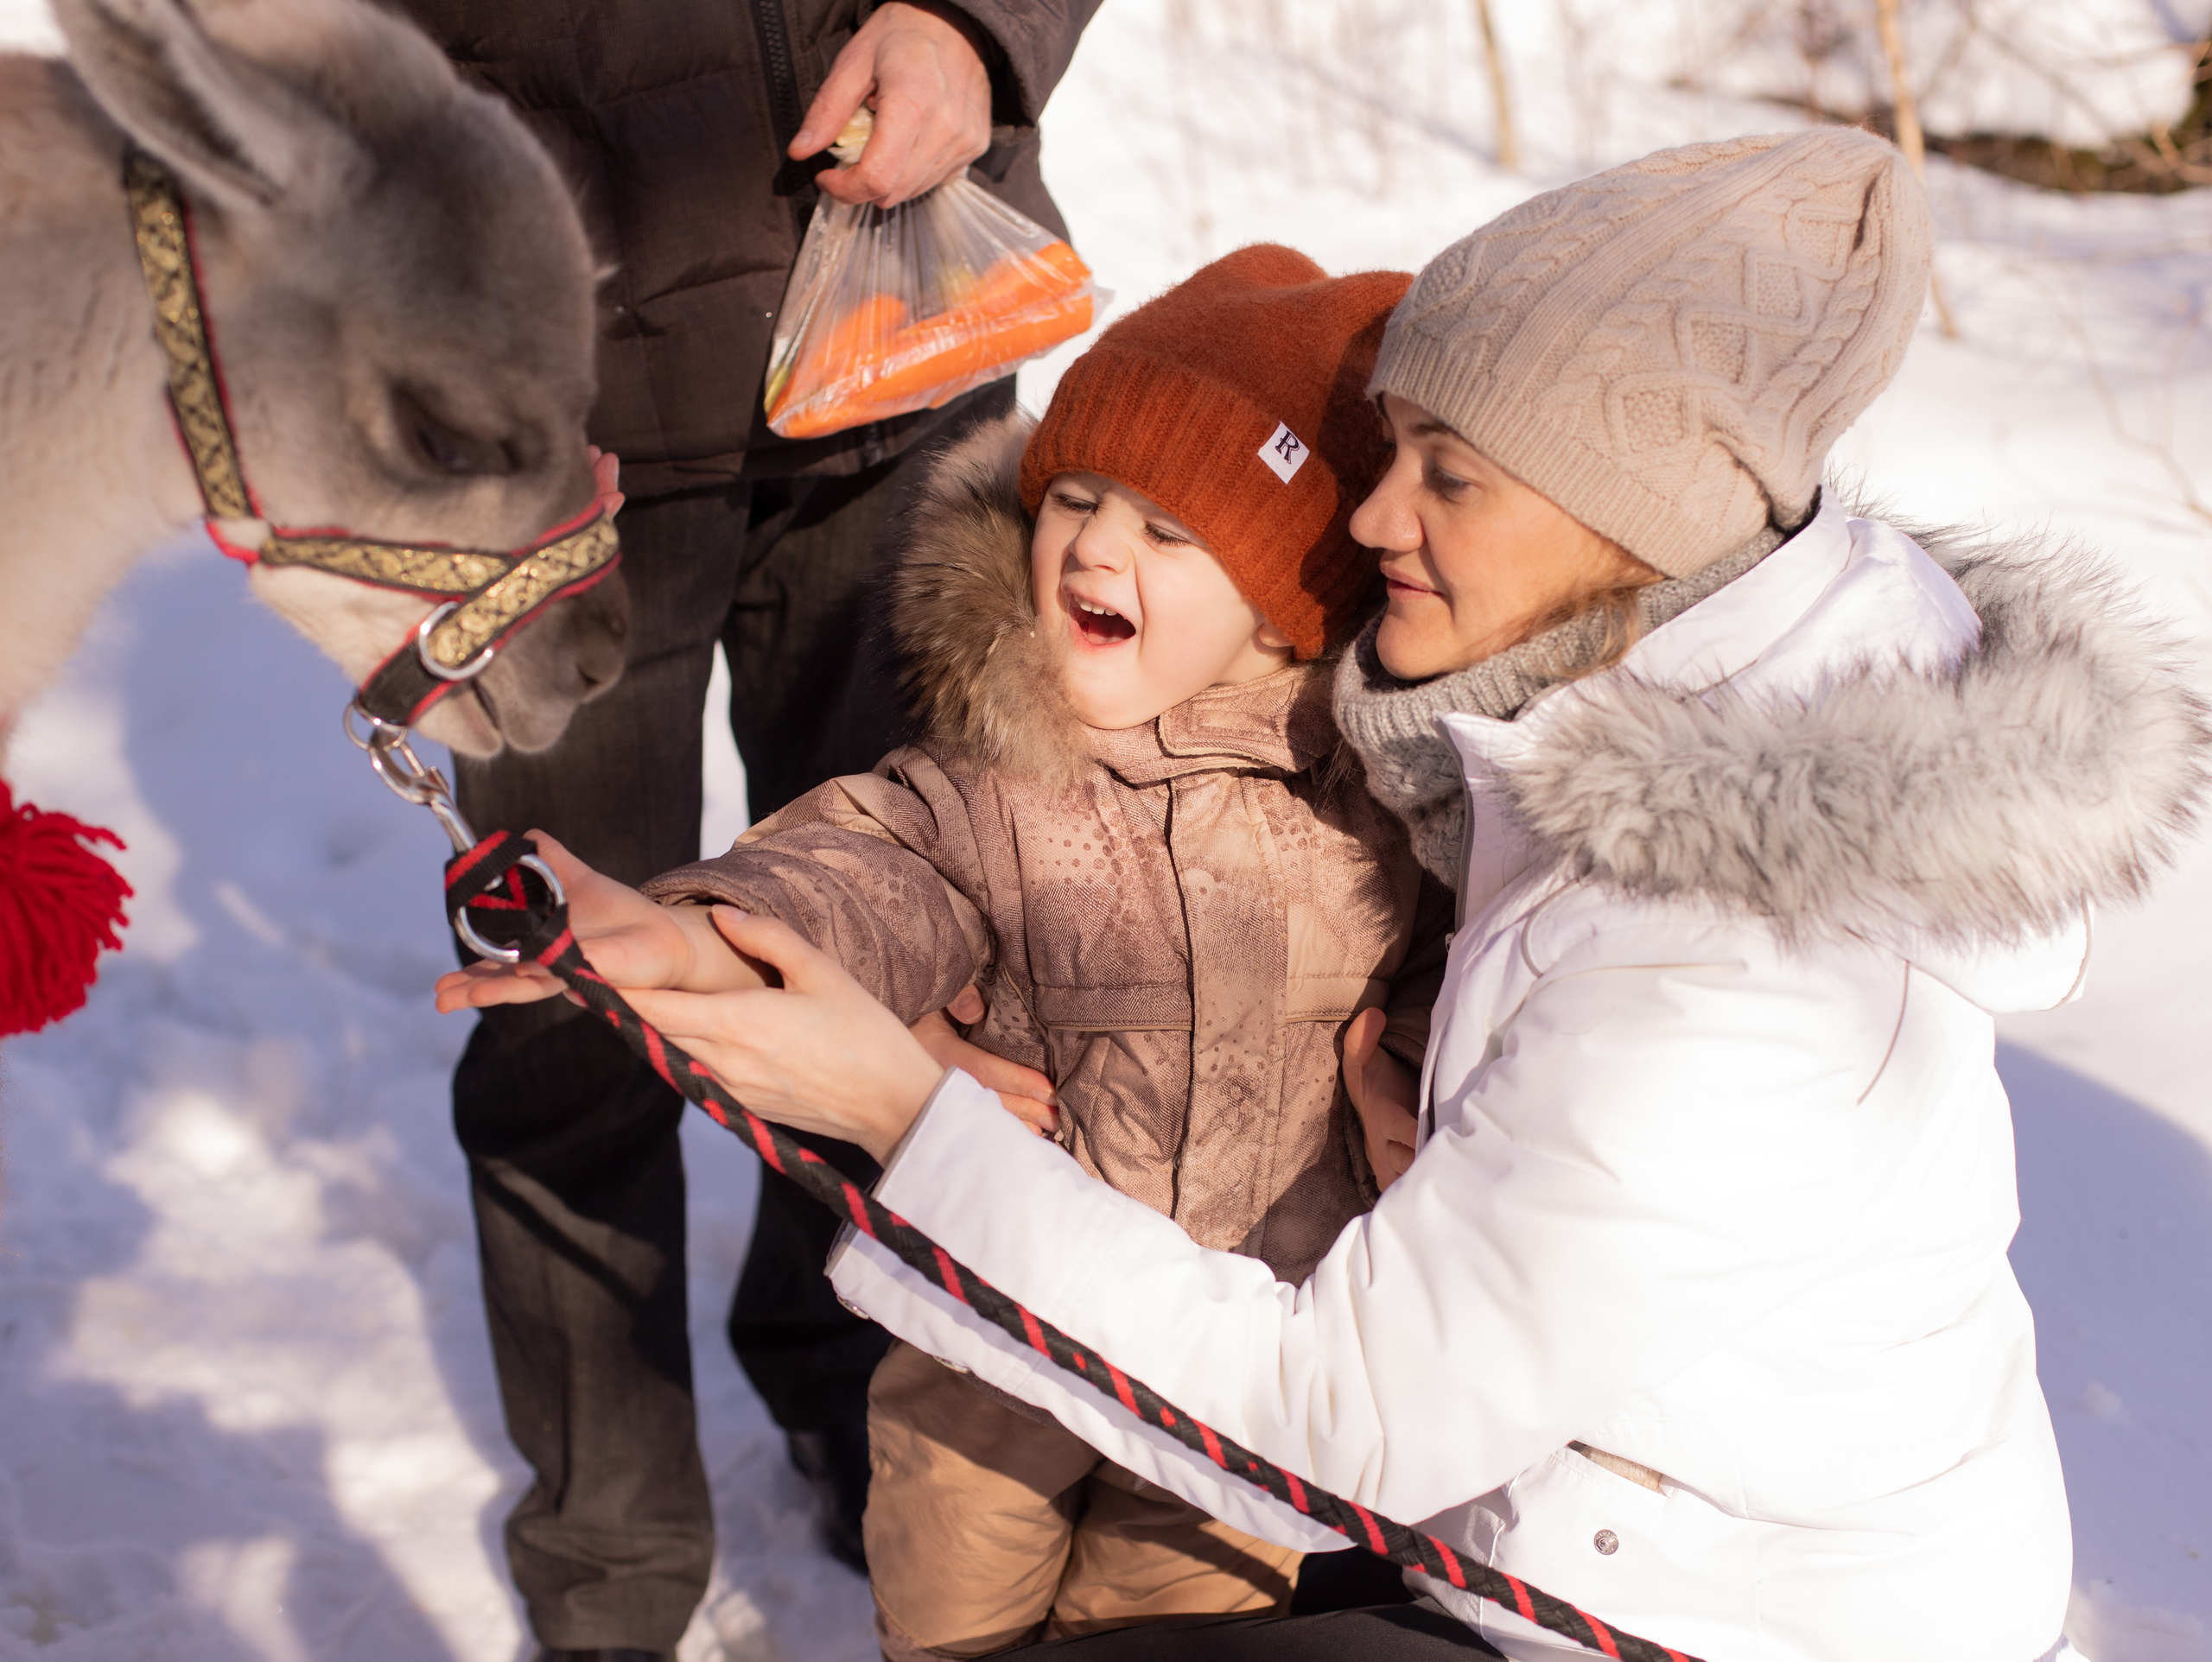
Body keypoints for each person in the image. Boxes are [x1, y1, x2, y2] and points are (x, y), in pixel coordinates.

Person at [533, 128, 2210, 1661]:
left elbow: (1343, 1410)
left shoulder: (1715, 965)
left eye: (1447, 473)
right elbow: (899, 852)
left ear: (1628, 518)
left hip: (1688, 1611)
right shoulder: (1687, 688)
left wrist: (898, 1108)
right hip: (1621, 1507)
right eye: (1390, 443)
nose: (1373, 506)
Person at [438, 245, 1457, 1658]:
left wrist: (1404, 1077)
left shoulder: (1380, 810)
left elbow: (1442, 984)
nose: (1098, 549)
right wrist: (686, 935)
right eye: (1082, 503)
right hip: (991, 1350)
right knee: (950, 1623)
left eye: (1170, 534)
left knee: (1167, 1641)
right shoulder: (998, 771)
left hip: (1239, 1372)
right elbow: (856, 869)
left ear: (1290, 599)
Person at [383, 0, 1100, 1654]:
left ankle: (855, 1390)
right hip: (550, 389)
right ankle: (608, 1572)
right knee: (575, 1011)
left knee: (917, 958)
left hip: (908, 325)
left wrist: (979, 31)